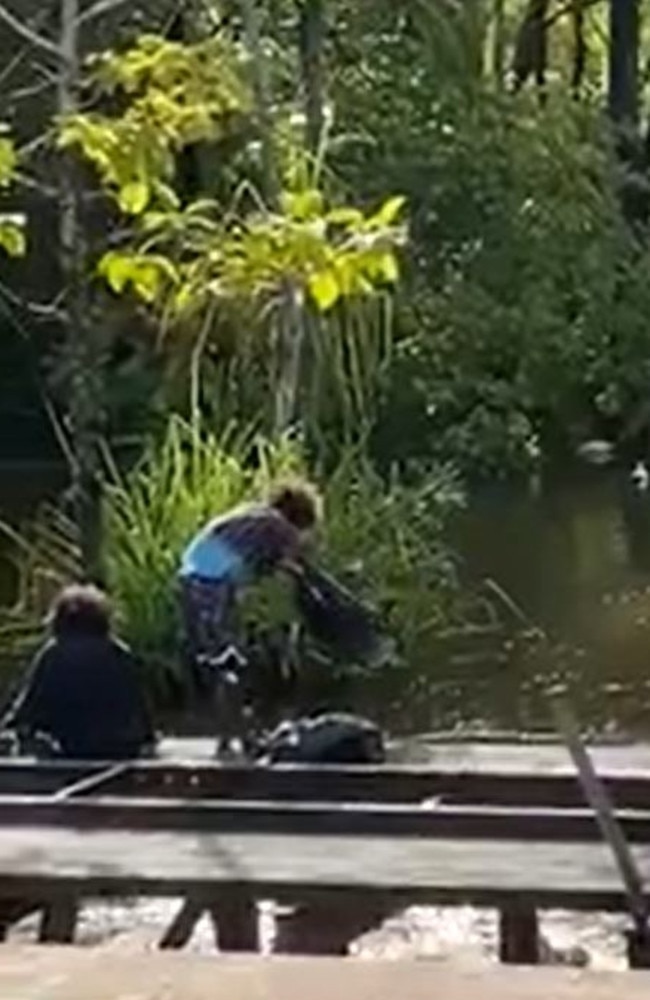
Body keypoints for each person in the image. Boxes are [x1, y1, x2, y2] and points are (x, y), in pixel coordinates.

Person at [178, 479, 321, 755]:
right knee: (229, 664)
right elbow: (272, 564)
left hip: (194, 581)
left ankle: (232, 735)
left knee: (219, 661)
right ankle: (237, 737)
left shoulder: (252, 514)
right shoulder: (279, 527)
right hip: (210, 586)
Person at [1, 585, 155, 760]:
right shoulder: (119, 653)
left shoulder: (54, 654)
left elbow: (27, 712)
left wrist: (13, 729)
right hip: (119, 751)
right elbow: (141, 712)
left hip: (69, 750)